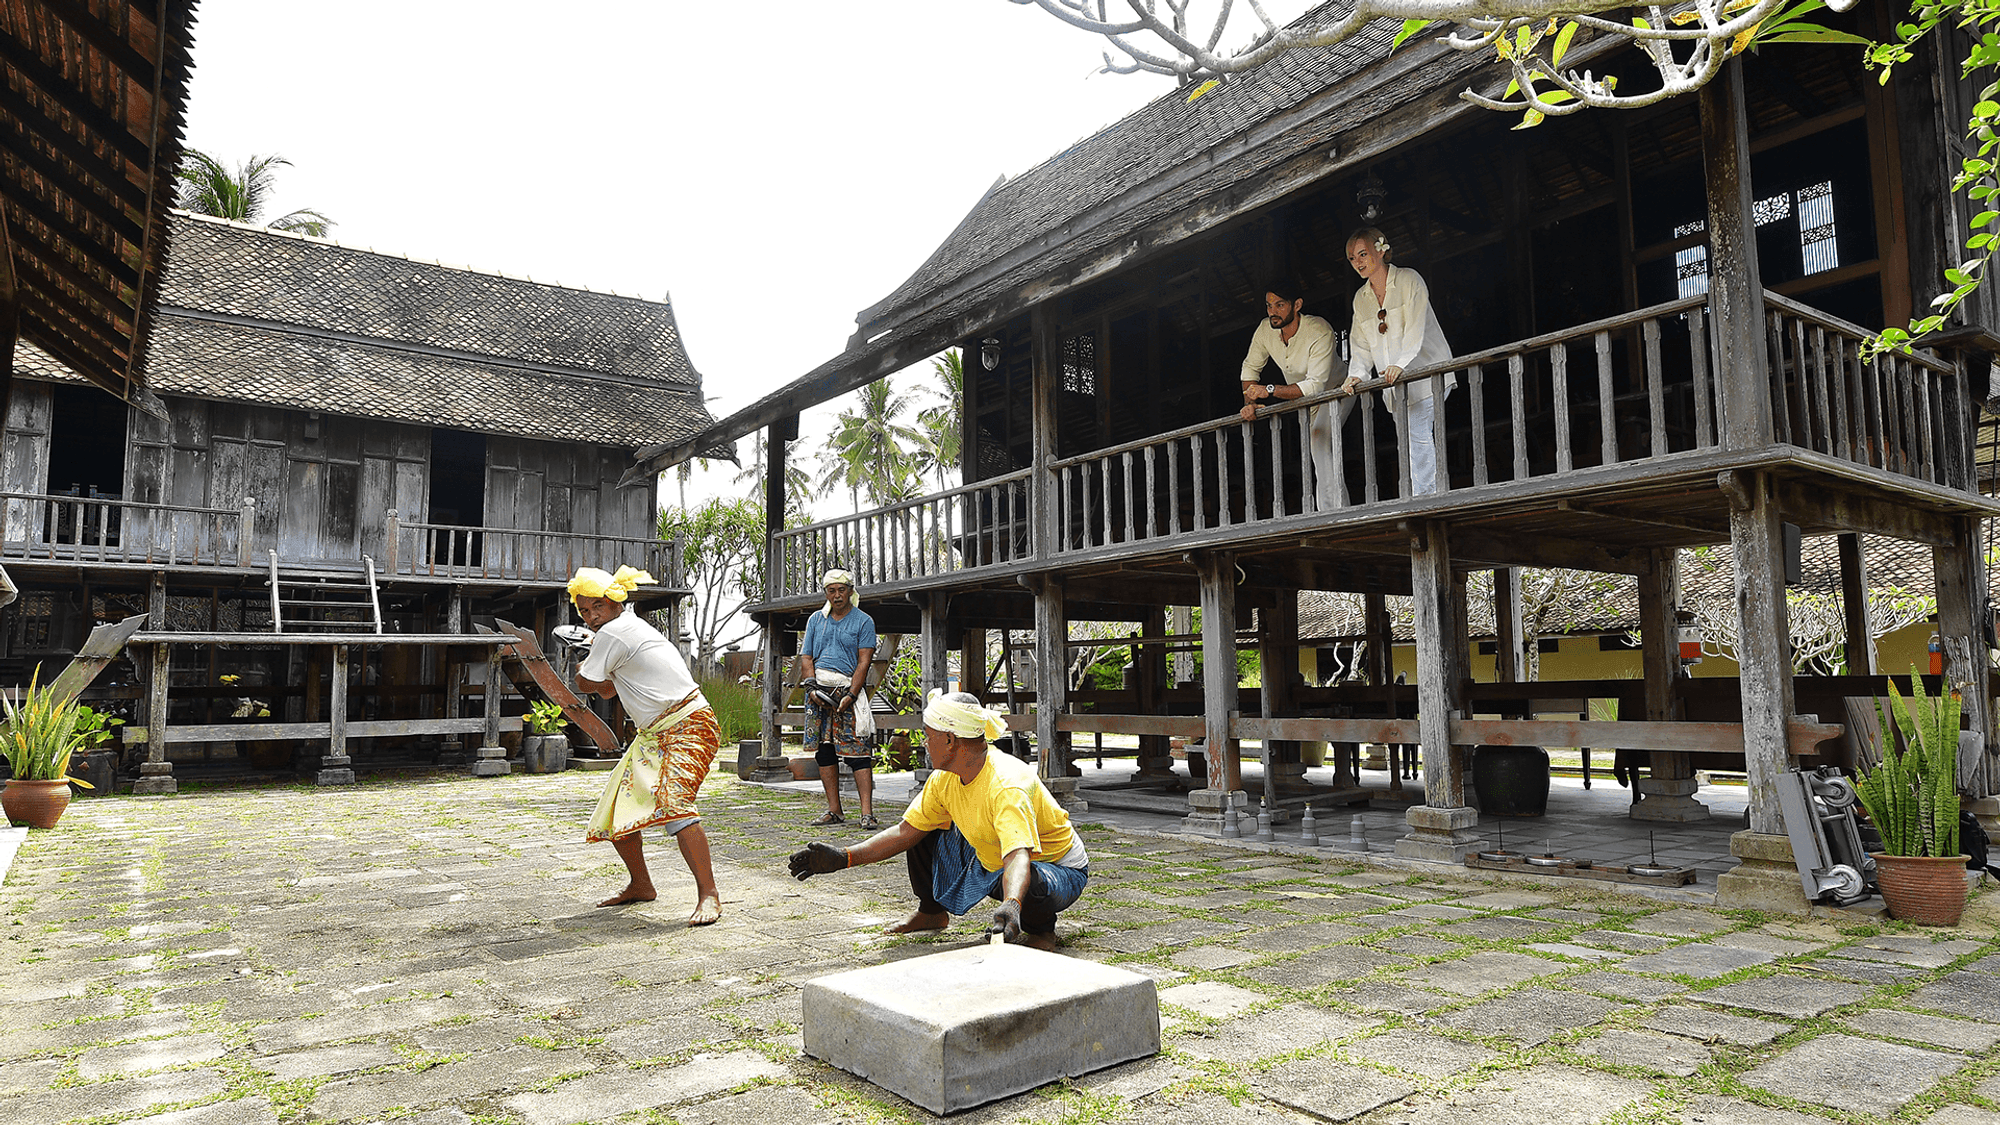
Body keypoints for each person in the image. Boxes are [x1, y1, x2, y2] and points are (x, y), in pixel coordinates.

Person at [786, 690, 1089, 951]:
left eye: (929, 737)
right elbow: (904, 832)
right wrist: (844, 857)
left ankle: (1042, 932)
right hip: (996, 857)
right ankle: (931, 912)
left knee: (1029, 880)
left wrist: (1012, 904)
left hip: (1058, 868)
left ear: (949, 740)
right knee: (922, 829)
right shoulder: (943, 779)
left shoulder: (1007, 784)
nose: (925, 744)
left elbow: (1018, 857)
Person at [569, 565, 723, 925]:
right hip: (655, 734)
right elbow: (609, 688)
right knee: (617, 810)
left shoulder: (614, 633)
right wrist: (593, 662)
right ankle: (641, 885)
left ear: (614, 603)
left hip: (688, 726)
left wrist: (582, 663)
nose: (592, 617)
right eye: (584, 611)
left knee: (675, 803)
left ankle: (710, 895)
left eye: (597, 608)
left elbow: (587, 684)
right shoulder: (624, 628)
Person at [1342, 227, 1456, 496]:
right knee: (1406, 441)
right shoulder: (1361, 299)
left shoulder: (1409, 280)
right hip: (1395, 385)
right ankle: (1417, 494)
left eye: (1362, 254)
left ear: (1380, 251)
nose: (1358, 263)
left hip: (1427, 374)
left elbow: (1415, 328)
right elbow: (1359, 343)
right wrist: (1357, 373)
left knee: (1417, 434)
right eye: (1352, 259)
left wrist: (1401, 363)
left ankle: (1425, 498)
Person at [1239, 280, 1348, 507]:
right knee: (1317, 451)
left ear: (1297, 305)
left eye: (1280, 305)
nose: (1273, 312)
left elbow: (1315, 386)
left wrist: (1269, 391)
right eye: (1269, 306)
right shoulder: (1265, 329)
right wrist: (1250, 402)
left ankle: (1333, 514)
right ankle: (1333, 511)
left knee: (1319, 441)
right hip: (1304, 399)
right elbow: (1250, 369)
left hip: (1337, 389)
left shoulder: (1319, 330)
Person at [798, 568, 879, 828]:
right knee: (825, 751)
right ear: (826, 593)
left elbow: (863, 662)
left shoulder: (863, 621)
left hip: (847, 689)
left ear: (850, 591)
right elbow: (807, 657)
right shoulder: (815, 620)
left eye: (841, 590)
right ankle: (835, 810)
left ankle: (866, 813)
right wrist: (811, 687)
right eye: (831, 590)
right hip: (818, 690)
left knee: (858, 753)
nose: (837, 595)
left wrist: (852, 694)